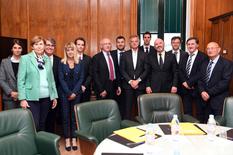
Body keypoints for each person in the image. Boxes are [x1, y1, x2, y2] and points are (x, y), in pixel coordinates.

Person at [17, 35, 58, 131]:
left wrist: (54, 96)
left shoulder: (47, 59)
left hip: (46, 97)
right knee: (35, 124)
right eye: (36, 44)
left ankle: (41, 145)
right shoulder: (25, 58)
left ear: (44, 46)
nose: (39, 46)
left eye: (41, 44)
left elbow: (51, 80)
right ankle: (32, 145)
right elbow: (20, 80)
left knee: (43, 123)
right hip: (31, 97)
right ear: (32, 46)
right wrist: (22, 98)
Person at [198, 42, 233, 122]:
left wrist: (208, 93)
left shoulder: (227, 63)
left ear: (219, 50)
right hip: (204, 101)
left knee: (217, 126)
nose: (210, 50)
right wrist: (202, 91)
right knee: (204, 125)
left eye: (212, 48)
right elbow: (200, 79)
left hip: (218, 101)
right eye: (208, 48)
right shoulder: (204, 63)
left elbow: (224, 83)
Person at [58, 42, 84, 151]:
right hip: (64, 94)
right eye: (68, 50)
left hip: (76, 94)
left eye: (72, 49)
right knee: (65, 117)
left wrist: (74, 92)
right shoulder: (61, 63)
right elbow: (61, 79)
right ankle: (67, 139)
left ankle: (74, 138)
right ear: (65, 51)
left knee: (74, 118)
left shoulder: (80, 63)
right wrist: (69, 93)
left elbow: (81, 78)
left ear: (75, 50)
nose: (70, 52)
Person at [120, 35, 148, 120]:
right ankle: (127, 126)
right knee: (128, 108)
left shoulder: (144, 55)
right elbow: (122, 70)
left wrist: (138, 81)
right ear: (129, 43)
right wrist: (130, 81)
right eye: (132, 41)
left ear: (139, 42)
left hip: (140, 86)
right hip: (128, 86)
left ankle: (141, 126)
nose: (134, 43)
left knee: (140, 108)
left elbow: (146, 70)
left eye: (136, 41)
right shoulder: (124, 55)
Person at [179, 37, 208, 118]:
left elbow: (201, 72)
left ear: (197, 45)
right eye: (188, 44)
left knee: (199, 112)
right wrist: (184, 82)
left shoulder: (203, 57)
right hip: (185, 90)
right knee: (187, 112)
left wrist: (189, 83)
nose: (190, 46)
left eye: (192, 44)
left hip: (197, 89)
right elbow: (180, 70)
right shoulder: (184, 56)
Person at [0, 39, 23, 110]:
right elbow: (1, 79)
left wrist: (20, 93)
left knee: (22, 119)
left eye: (19, 48)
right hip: (9, 98)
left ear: (22, 49)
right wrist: (11, 93)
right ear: (11, 49)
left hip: (22, 97)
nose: (17, 50)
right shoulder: (4, 62)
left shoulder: (25, 61)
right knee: (10, 120)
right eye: (15, 48)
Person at [44, 37, 61, 133]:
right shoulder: (38, 59)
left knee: (52, 120)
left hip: (54, 95)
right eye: (48, 45)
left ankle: (51, 142)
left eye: (52, 45)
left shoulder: (59, 60)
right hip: (41, 95)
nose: (50, 47)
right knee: (41, 121)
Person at [111, 35, 126, 116]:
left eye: (122, 42)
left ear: (124, 43)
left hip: (126, 84)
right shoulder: (111, 54)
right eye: (118, 42)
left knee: (125, 106)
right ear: (116, 44)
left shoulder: (128, 53)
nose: (120, 44)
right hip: (114, 85)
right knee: (114, 106)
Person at [74, 37, 92, 103]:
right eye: (78, 44)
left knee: (85, 110)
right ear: (75, 45)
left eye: (82, 45)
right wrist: (77, 86)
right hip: (73, 90)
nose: (81, 46)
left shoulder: (88, 59)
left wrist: (84, 86)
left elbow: (90, 75)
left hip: (85, 90)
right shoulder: (70, 58)